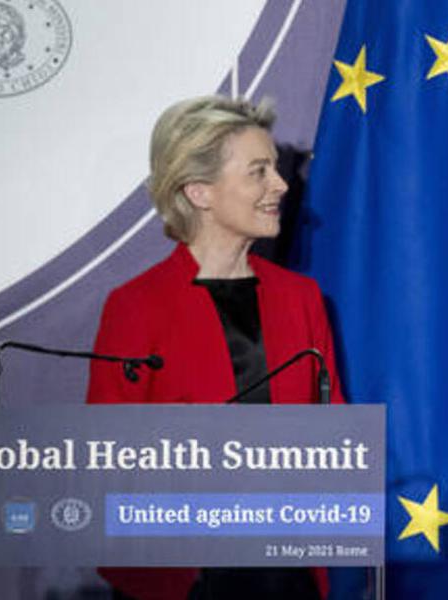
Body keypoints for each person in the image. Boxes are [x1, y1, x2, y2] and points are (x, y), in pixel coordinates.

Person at [88, 96, 345, 600]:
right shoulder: (136, 307)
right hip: (182, 580)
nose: (281, 185)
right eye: (259, 172)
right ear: (199, 191)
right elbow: (107, 464)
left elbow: (333, 433)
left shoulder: (302, 298)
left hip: (287, 576)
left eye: (274, 169)